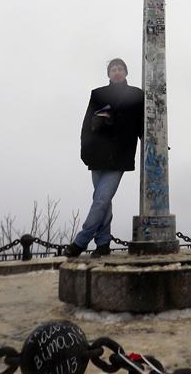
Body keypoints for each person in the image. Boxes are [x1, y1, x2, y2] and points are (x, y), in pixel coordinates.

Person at [64, 58, 144, 257]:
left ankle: (80, 242)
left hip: (120, 156)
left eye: (120, 69)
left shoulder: (136, 95)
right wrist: (84, 150)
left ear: (126, 72)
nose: (117, 72)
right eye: (113, 69)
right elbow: (86, 125)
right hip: (97, 154)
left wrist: (155, 142)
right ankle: (103, 243)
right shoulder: (98, 94)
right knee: (103, 201)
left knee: (101, 199)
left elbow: (142, 124)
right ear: (108, 74)